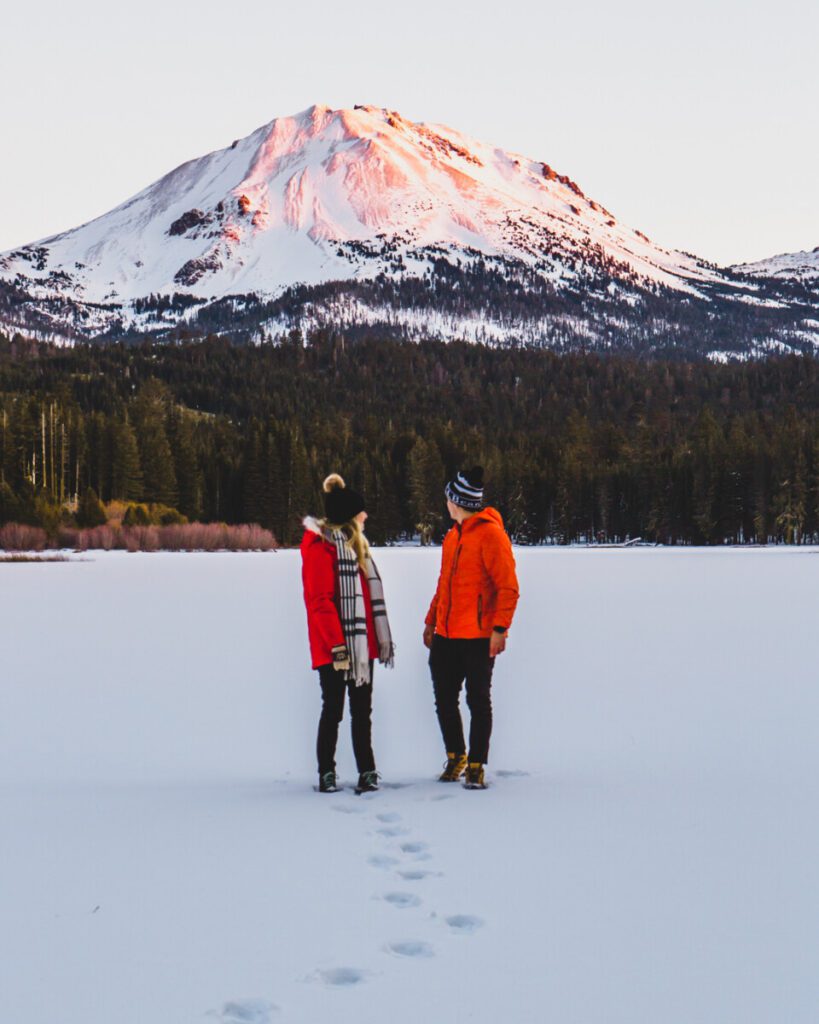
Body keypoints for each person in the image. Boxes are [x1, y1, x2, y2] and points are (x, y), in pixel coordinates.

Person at [423, 466, 519, 789]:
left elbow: (508, 586)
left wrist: (500, 629)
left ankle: (476, 765)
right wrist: (430, 620)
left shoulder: (491, 535)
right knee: (444, 699)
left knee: (478, 700)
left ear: (458, 502)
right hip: (446, 636)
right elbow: (444, 585)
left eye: (448, 499)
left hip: (478, 638)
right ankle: (456, 756)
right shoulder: (453, 536)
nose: (445, 504)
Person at [301, 473, 394, 794]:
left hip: (361, 648)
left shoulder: (357, 549)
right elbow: (320, 602)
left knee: (362, 713)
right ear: (349, 518)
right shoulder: (320, 549)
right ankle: (326, 772)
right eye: (360, 512)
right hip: (334, 649)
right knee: (334, 710)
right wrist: (338, 645)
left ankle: (367, 771)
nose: (365, 516)